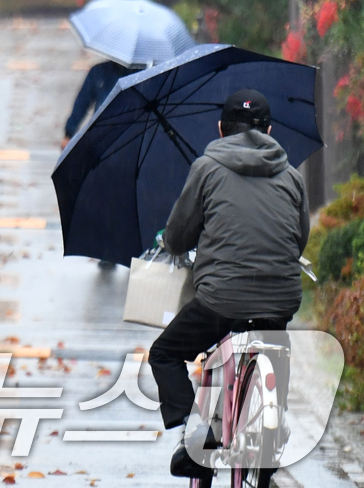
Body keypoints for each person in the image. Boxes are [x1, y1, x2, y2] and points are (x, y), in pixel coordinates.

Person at [147, 89, 309, 479]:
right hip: (281, 297)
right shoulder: (291, 176)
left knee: (164, 354)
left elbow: (180, 236)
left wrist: (171, 241)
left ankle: (195, 430)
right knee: (273, 344)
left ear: (220, 130)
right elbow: (299, 239)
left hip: (222, 299)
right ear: (269, 130)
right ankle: (275, 416)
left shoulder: (206, 167)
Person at [62, 59, 142, 148]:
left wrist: (69, 133)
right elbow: (82, 103)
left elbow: (82, 103)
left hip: (124, 136)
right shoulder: (99, 71)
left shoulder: (141, 74)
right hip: (106, 135)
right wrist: (69, 132)